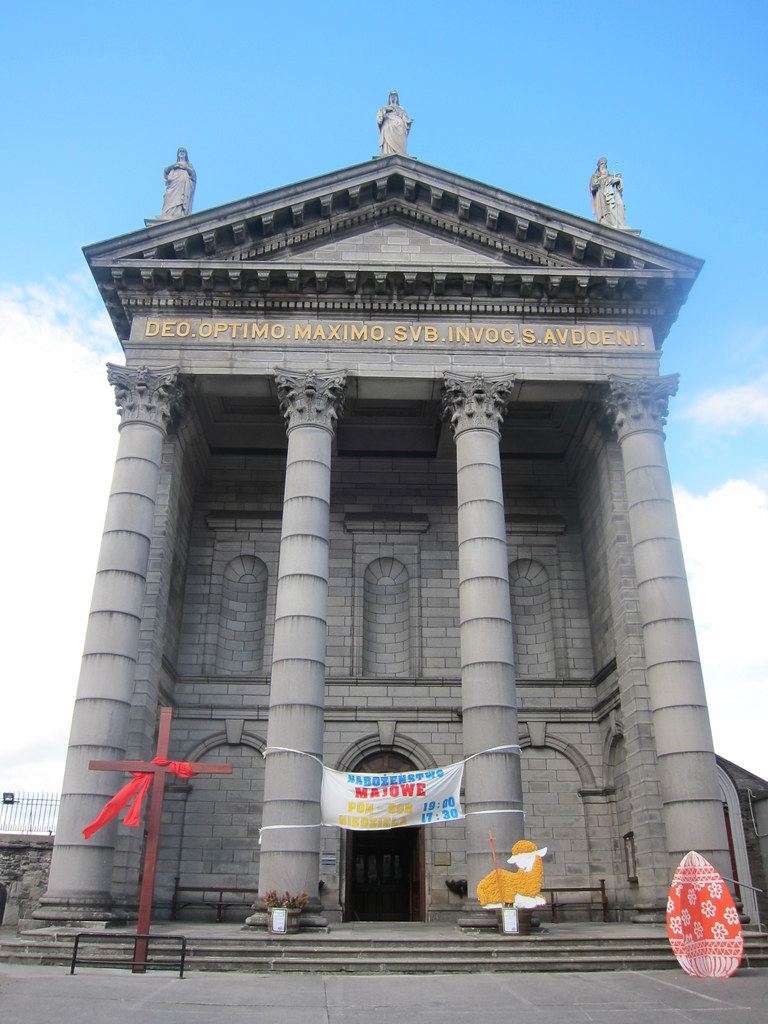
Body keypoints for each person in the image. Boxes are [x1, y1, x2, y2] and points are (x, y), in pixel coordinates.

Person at [158, 147, 196, 220]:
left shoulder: (189, 165)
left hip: (183, 185)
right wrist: (173, 166)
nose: (181, 153)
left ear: (186, 154)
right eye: (180, 151)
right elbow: (165, 171)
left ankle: (179, 212)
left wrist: (185, 168)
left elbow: (193, 175)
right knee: (169, 196)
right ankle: (168, 213)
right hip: (173, 185)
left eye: (183, 151)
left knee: (180, 199)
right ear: (178, 154)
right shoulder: (174, 165)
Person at [590, 157, 626, 228]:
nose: (603, 166)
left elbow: (618, 185)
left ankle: (619, 224)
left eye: (605, 164)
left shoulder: (611, 176)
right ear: (599, 166)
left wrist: (617, 180)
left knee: (619, 206)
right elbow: (593, 186)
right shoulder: (595, 176)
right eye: (602, 164)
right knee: (606, 213)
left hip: (611, 196)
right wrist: (601, 181)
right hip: (602, 197)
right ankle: (607, 224)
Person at [376, 91, 412, 156]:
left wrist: (408, 121)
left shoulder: (401, 109)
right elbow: (379, 118)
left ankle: (400, 153)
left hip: (399, 128)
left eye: (395, 96)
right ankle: (387, 152)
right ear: (389, 98)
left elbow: (405, 119)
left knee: (400, 145)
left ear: (397, 98)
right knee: (388, 144)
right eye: (391, 96)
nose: (393, 97)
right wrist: (384, 112)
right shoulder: (384, 108)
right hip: (388, 126)